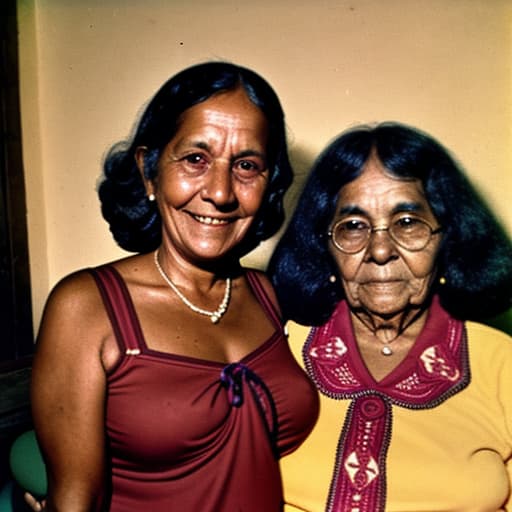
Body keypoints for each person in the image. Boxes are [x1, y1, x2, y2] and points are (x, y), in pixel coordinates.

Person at [28, 61, 319, 512]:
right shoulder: (87, 307)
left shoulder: (270, 295)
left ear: (269, 183)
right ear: (150, 170)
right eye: (195, 159)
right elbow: (76, 498)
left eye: (246, 165)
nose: (220, 192)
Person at [269, 122, 512, 511]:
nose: (380, 250)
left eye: (408, 223)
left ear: (446, 236)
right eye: (353, 226)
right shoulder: (276, 350)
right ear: (324, 244)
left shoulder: (503, 366)